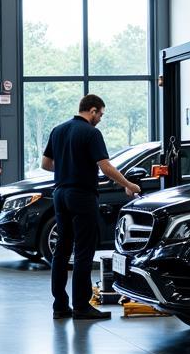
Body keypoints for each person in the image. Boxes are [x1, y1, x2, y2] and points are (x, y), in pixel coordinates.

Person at [42, 94, 141, 320]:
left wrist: (67, 167)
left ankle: (60, 306)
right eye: (101, 114)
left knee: (62, 251)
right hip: (81, 195)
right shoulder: (91, 133)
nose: (100, 119)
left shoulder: (58, 130)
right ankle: (81, 307)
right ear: (93, 110)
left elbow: (46, 164)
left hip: (60, 194)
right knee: (84, 251)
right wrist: (128, 184)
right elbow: (105, 166)